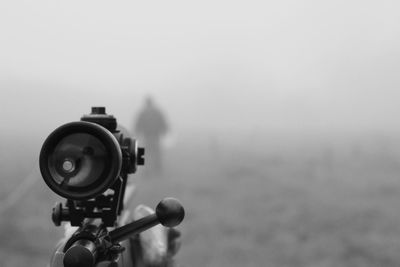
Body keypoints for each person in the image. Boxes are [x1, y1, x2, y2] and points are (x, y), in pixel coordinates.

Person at [134, 96, 168, 175]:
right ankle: (157, 168)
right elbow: (163, 122)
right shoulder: (157, 111)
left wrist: (137, 132)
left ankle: (148, 170)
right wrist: (164, 130)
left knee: (148, 153)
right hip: (155, 135)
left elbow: (138, 124)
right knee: (156, 153)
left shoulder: (143, 112)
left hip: (147, 135)